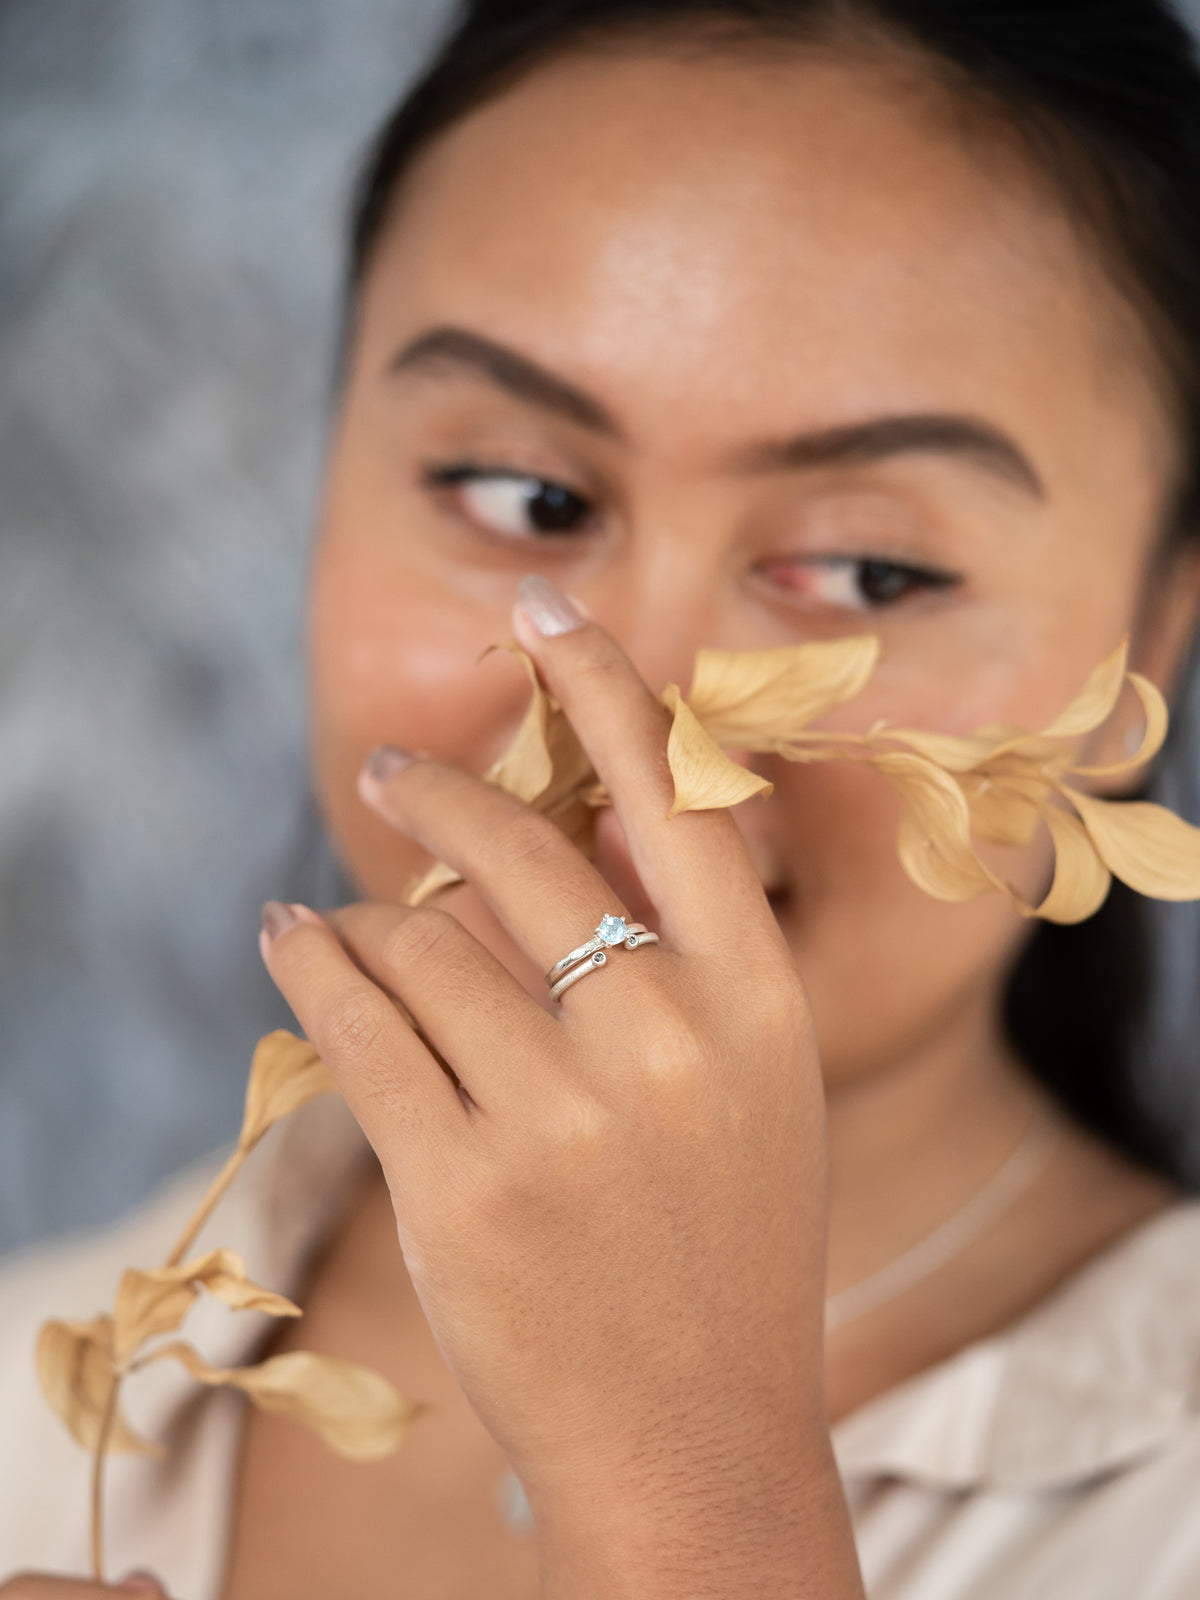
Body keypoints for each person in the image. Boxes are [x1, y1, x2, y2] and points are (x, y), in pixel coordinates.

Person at [4, 0, 1200, 1594]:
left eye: (868, 568)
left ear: (1153, 649)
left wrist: (697, 1494)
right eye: (525, 497)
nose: (619, 706)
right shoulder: (37, 1387)